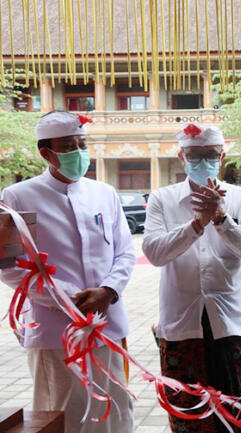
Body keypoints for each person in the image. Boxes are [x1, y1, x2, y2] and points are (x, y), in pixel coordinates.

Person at [0, 110, 135, 433]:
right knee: (62, 413)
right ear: (45, 152)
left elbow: (125, 252)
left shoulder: (104, 193)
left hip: (108, 324)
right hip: (54, 329)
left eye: (82, 144)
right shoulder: (17, 197)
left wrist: (109, 291)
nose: (78, 152)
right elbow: (9, 266)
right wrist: (65, 299)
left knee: (117, 409)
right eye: (68, 146)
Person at [143, 123, 241, 433]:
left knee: (233, 415)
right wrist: (196, 225)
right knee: (186, 417)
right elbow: (154, 252)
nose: (202, 161)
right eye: (194, 155)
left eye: (210, 155)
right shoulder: (162, 199)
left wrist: (221, 219)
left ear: (222, 157)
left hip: (230, 324)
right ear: (182, 157)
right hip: (181, 324)